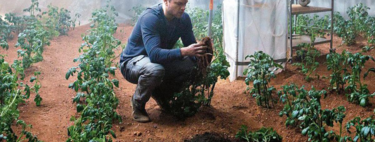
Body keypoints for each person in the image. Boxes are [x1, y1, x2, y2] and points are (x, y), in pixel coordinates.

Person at [119, 0, 207, 123]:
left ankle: (162, 95)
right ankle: (138, 105)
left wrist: (201, 56)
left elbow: (190, 45)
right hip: (132, 62)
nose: (183, 8)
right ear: (166, 1)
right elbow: (154, 54)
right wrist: (184, 51)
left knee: (192, 66)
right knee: (155, 70)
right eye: (179, 3)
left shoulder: (183, 19)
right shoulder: (150, 18)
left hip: (158, 61)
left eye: (185, 3)